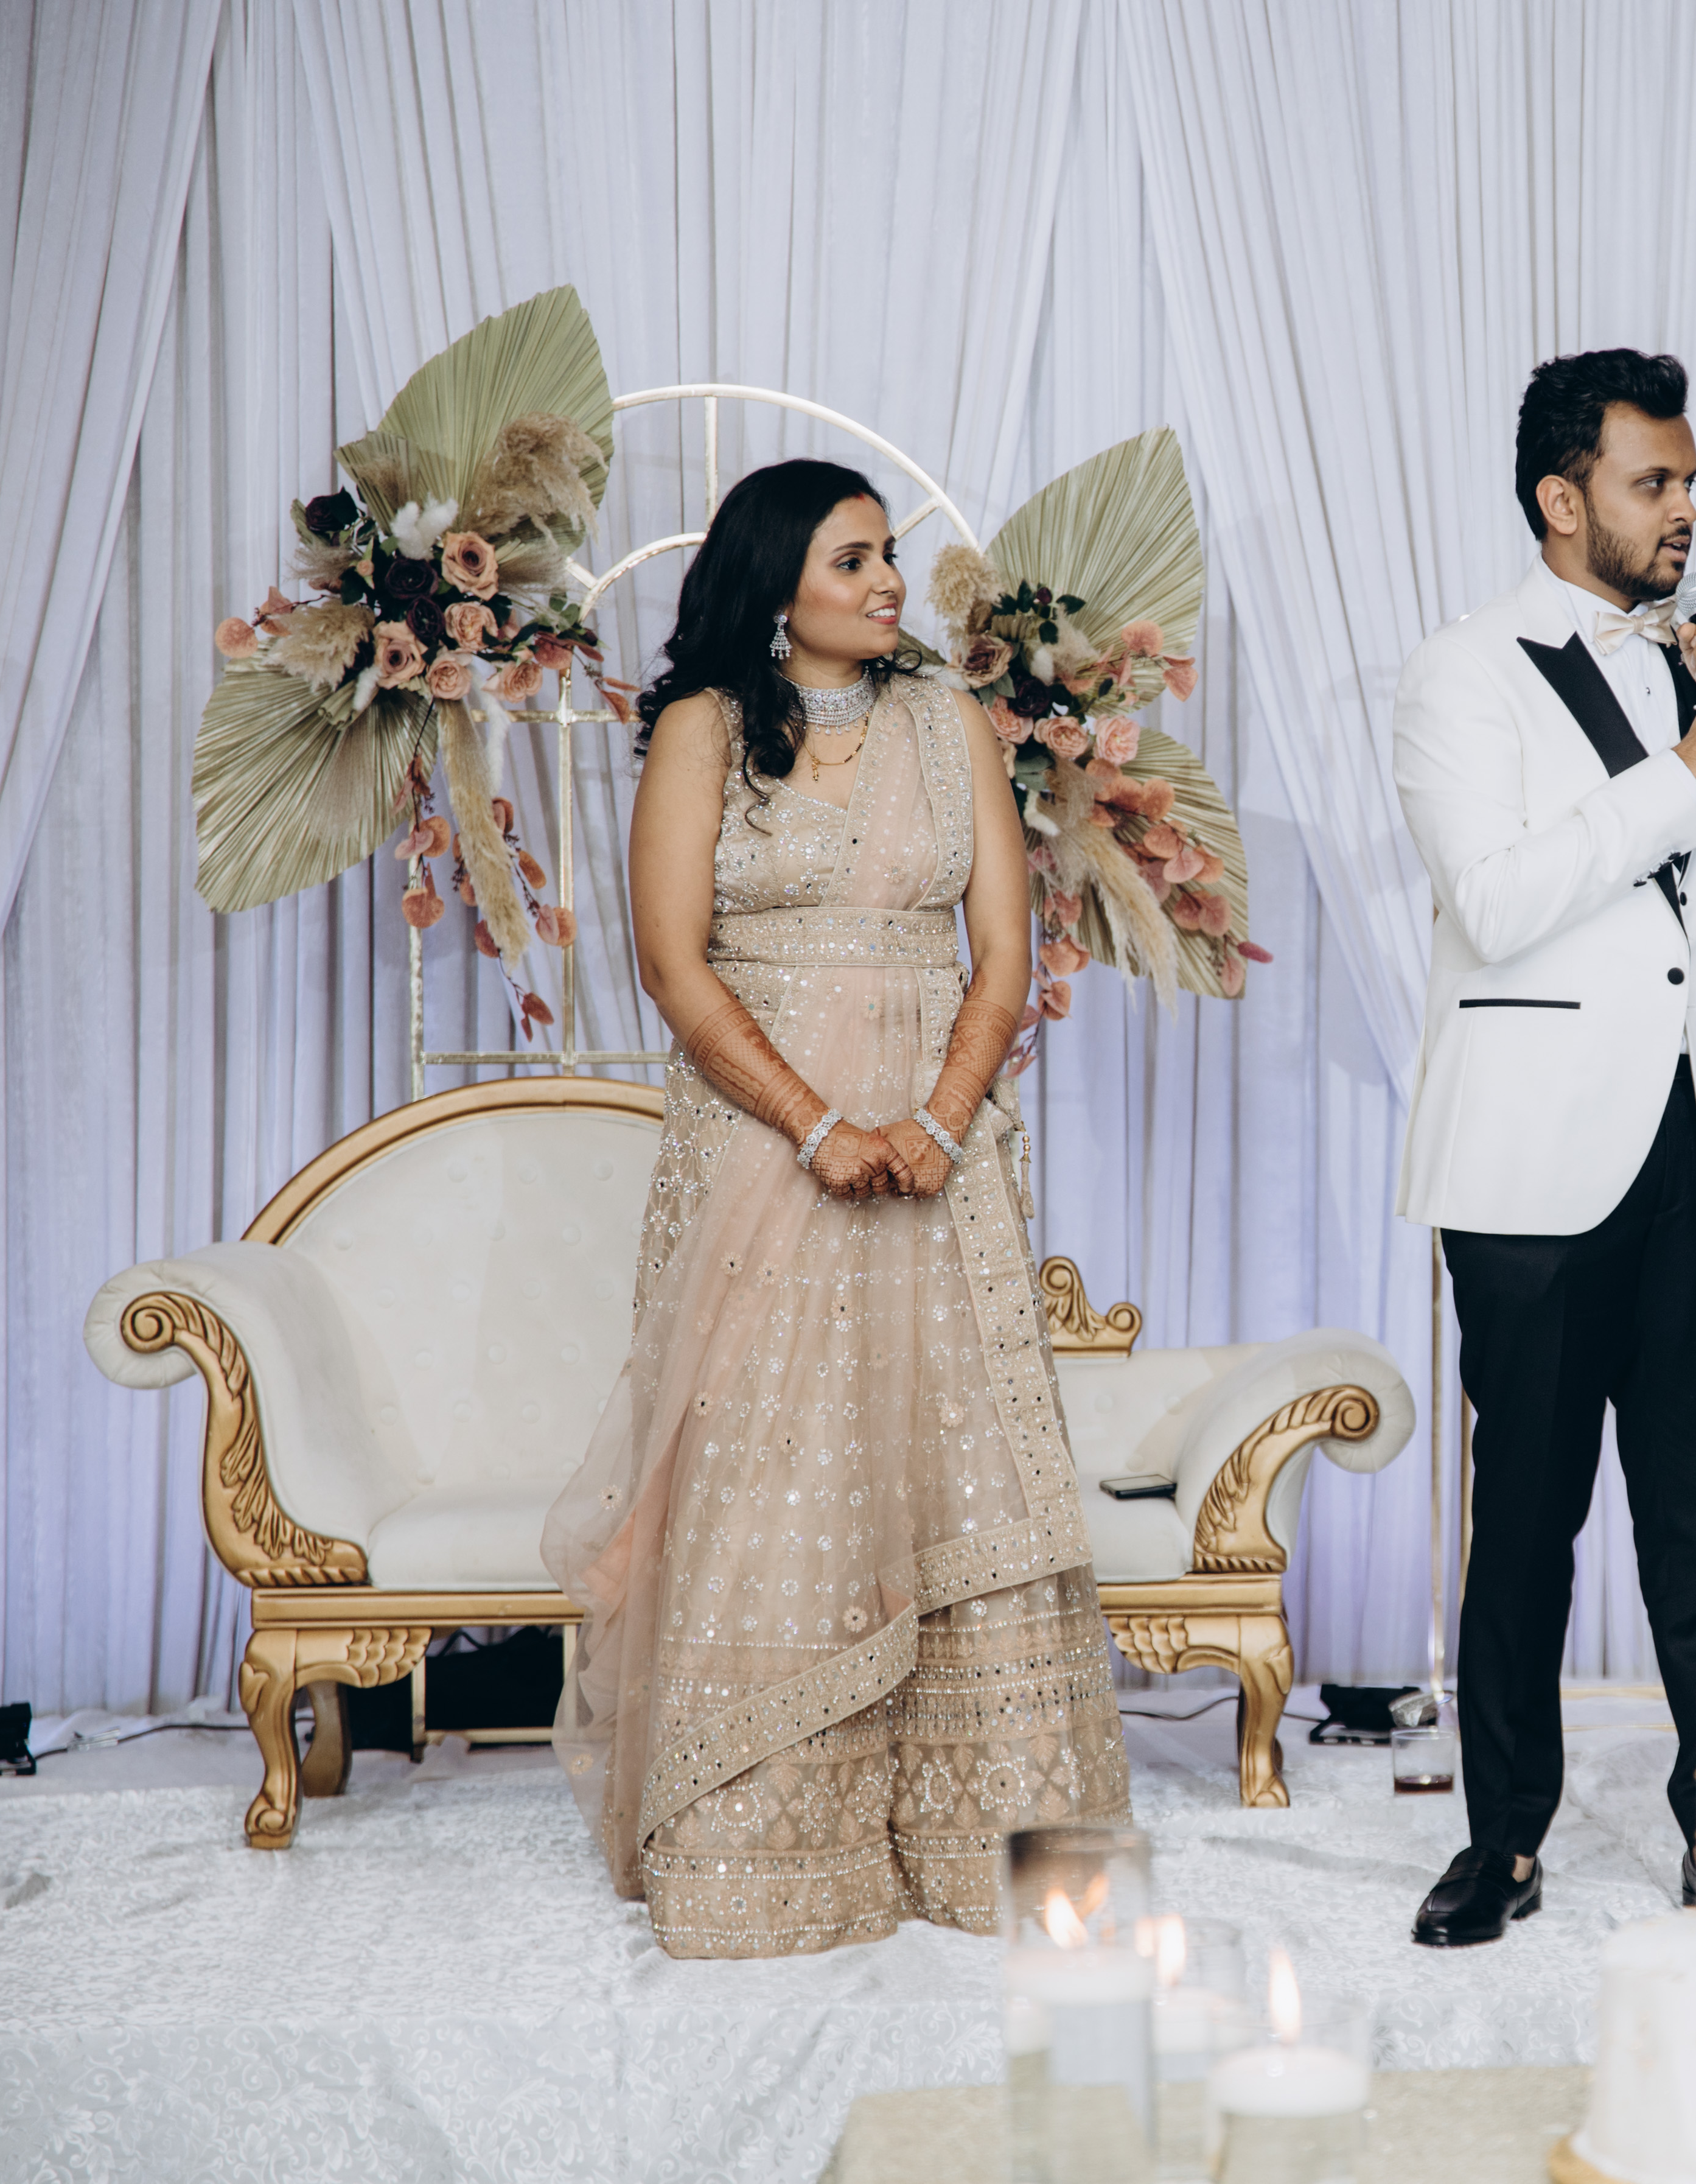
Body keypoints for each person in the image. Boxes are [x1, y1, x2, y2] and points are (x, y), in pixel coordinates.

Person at [543, 458, 1129, 1959]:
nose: (888, 585)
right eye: (853, 561)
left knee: (968, 1468)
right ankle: (769, 1861)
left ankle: (991, 1854)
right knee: (775, 1468)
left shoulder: (950, 719)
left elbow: (1003, 955)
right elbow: (673, 965)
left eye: (888, 557)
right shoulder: (704, 727)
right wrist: (817, 1125)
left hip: (938, 1151)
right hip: (762, 1151)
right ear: (775, 585)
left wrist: (937, 1121)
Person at [1391, 351, 1696, 1945]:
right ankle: (1502, 1842)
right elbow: (1495, 900)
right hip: (1531, 1164)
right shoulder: (1464, 671)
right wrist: (1681, 774)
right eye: (1652, 483)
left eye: (1687, 482)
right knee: (1526, 1523)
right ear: (1560, 496)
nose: (1682, 511)